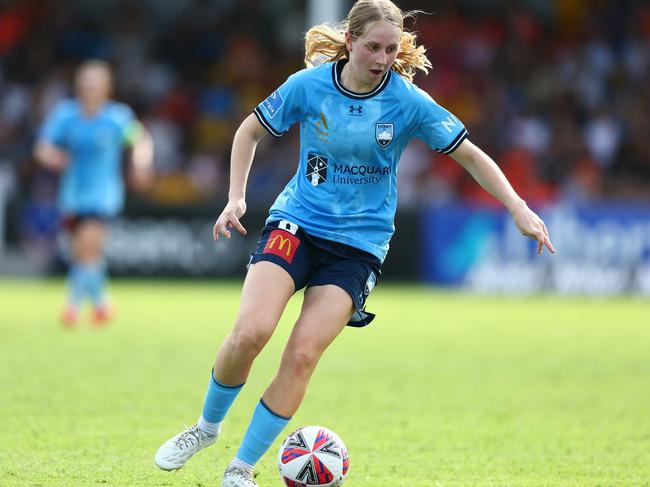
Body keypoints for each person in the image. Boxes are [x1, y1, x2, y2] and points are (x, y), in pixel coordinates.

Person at [154, 1, 555, 485]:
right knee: (251, 333)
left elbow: (470, 155)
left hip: (359, 247)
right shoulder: (309, 86)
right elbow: (249, 130)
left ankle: (241, 470)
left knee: (302, 354)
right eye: (373, 47)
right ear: (350, 42)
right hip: (296, 223)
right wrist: (236, 197)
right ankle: (204, 428)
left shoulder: (407, 102)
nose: (383, 58)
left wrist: (518, 207)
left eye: (391, 49)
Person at [34, 59, 154, 326]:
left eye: (95, 81)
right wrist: (53, 157)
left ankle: (72, 307)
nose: (89, 86)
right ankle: (102, 303)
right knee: (82, 253)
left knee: (88, 245)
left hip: (103, 194)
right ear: (78, 84)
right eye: (85, 81)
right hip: (72, 194)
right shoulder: (65, 115)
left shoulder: (116, 117)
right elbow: (42, 147)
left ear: (106, 87)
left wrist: (141, 163)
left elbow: (140, 139)